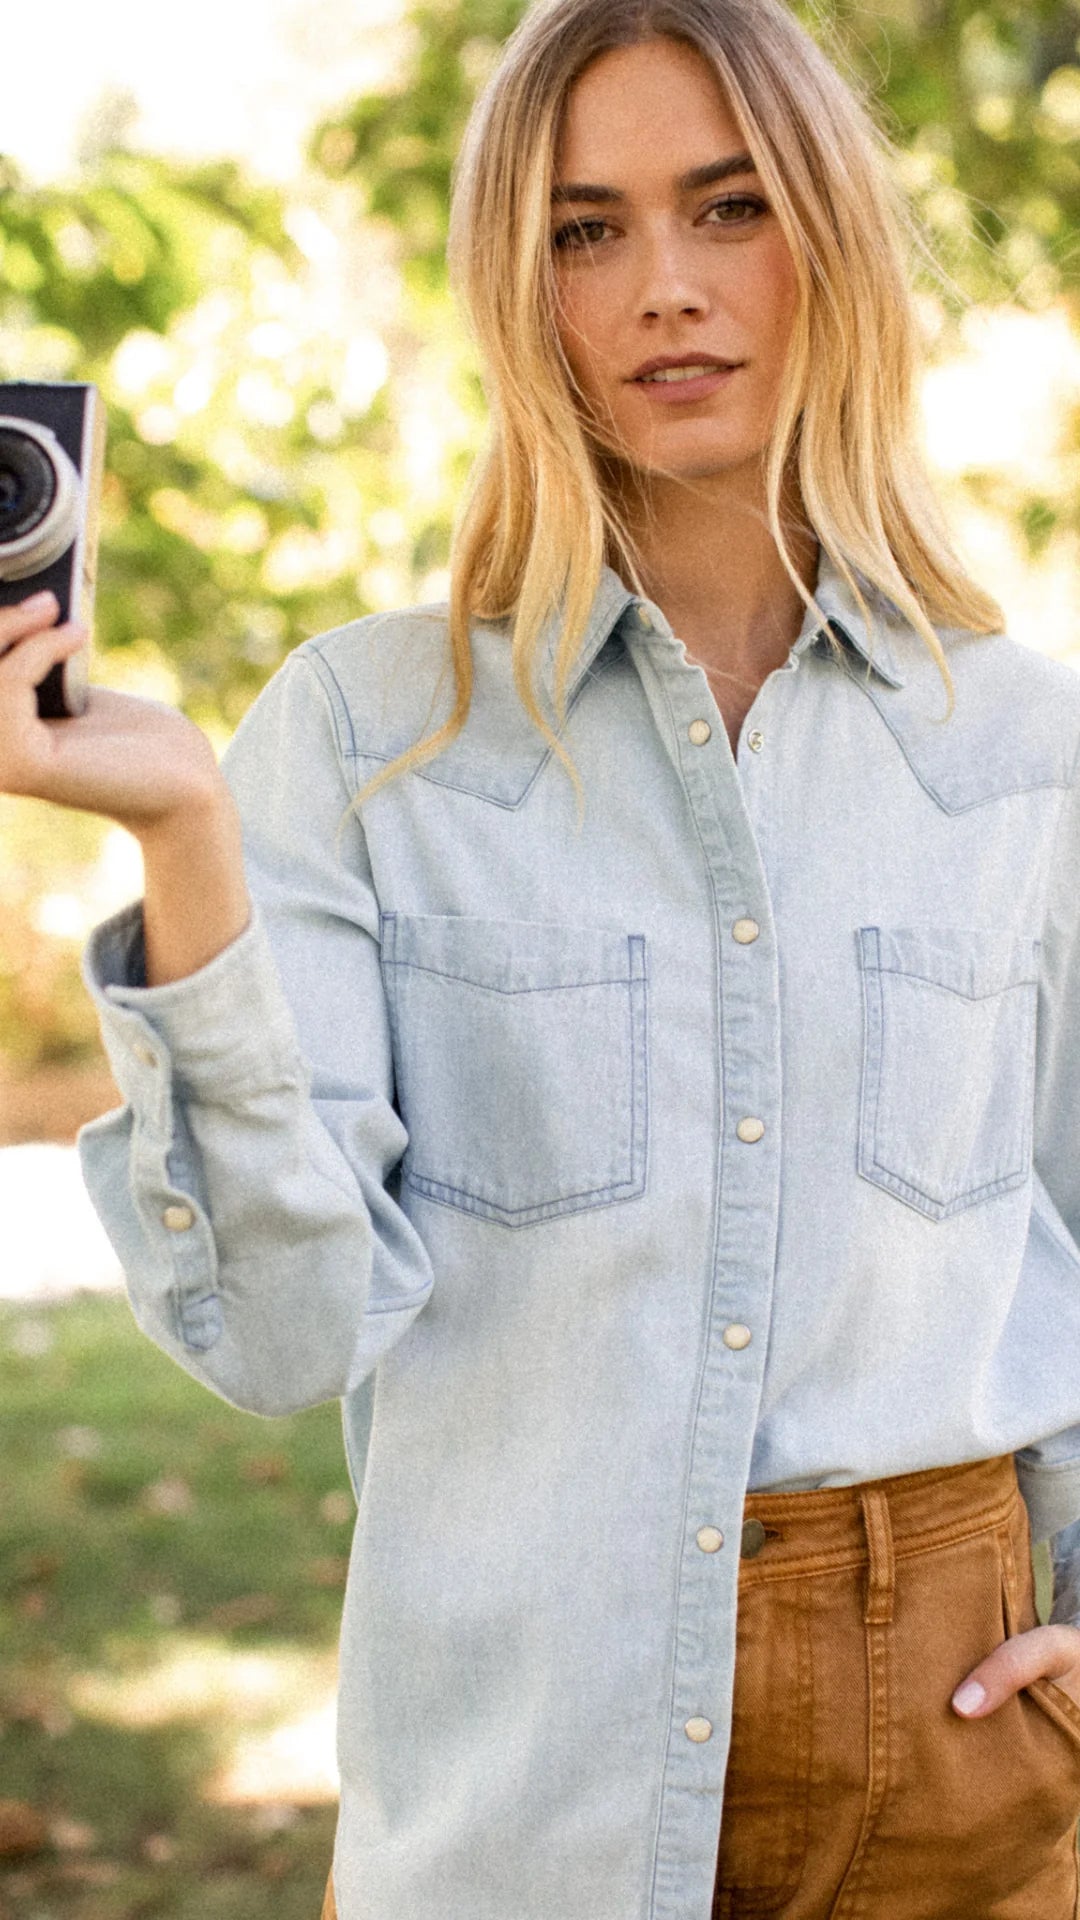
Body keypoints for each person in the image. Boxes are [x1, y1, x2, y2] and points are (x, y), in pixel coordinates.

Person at [5, 0, 1080, 1913]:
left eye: (726, 207)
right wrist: (183, 837)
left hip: (972, 1780)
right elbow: (280, 1335)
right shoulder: (360, 731)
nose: (663, 286)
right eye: (587, 229)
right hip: (530, 1801)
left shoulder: (1024, 747)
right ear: (523, 287)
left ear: (829, 232)